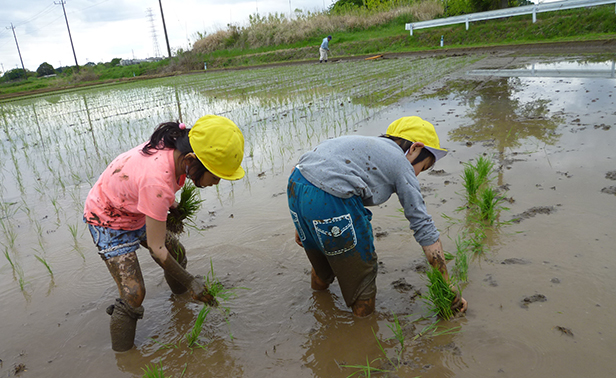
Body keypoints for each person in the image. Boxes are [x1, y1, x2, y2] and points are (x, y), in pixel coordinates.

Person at [84, 115, 245, 351]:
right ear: (191, 159)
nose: (217, 182)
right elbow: (156, 248)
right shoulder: (157, 182)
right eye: (215, 175)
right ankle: (124, 357)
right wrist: (191, 281)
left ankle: (181, 301)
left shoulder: (177, 152)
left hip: (135, 206)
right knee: (134, 293)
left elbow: (150, 186)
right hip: (108, 219)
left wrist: (172, 205)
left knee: (177, 252)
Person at [287, 116, 468, 317]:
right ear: (415, 148)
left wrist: (303, 222)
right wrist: (446, 285)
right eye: (422, 168)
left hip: (297, 188)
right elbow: (422, 224)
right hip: (330, 200)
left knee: (322, 265)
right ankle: (363, 328)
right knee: (362, 277)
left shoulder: (363, 146)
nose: (416, 174)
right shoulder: (400, 162)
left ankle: (319, 303)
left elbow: (305, 170)